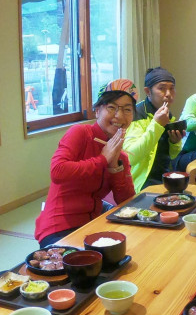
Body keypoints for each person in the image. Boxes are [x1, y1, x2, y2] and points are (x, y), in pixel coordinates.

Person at [35, 79, 139, 247]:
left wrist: (115, 166)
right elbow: (58, 171)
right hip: (58, 228)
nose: (119, 116)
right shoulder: (80, 133)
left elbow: (126, 201)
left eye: (127, 109)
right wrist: (102, 160)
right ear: (97, 111)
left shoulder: (121, 155)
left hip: (93, 227)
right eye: (112, 107)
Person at [123, 67, 186, 192]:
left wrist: (174, 143)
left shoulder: (169, 116)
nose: (168, 94)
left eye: (171, 88)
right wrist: (156, 124)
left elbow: (172, 156)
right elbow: (130, 157)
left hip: (165, 177)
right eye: (161, 88)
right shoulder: (136, 115)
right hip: (142, 182)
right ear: (148, 91)